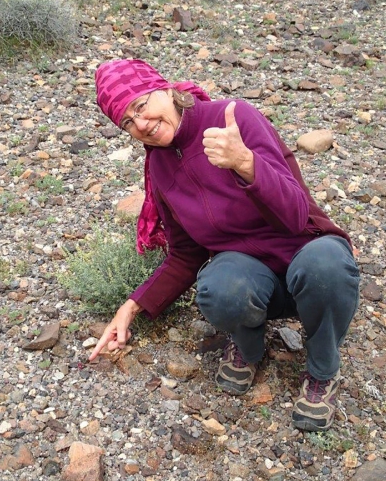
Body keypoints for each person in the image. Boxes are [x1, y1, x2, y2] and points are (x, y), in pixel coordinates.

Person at [90, 58, 360, 432]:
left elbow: (296, 215)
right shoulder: (160, 167)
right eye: (127, 123)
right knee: (218, 287)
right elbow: (186, 254)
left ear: (166, 90)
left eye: (140, 106)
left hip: (305, 255)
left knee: (327, 266)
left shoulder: (235, 118)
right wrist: (132, 306)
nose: (142, 125)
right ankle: (249, 348)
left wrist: (246, 163)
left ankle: (322, 370)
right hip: (254, 278)